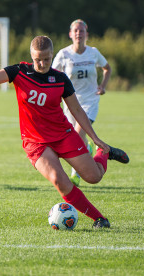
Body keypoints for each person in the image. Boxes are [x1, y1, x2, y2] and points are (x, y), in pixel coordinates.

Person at [0, 35, 129, 228]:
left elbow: (77, 110)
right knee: (58, 179)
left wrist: (95, 139)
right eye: (38, 59)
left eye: (46, 59)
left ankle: (104, 153)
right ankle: (99, 219)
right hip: (35, 142)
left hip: (63, 135)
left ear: (52, 56)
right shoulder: (19, 72)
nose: (42, 63)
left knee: (94, 177)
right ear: (31, 56)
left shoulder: (60, 79)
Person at [52, 19, 112, 187]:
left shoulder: (93, 53)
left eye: (82, 31)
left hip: (90, 101)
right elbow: (53, 74)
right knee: (74, 137)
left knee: (78, 134)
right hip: (71, 102)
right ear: (70, 34)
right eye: (76, 31)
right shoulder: (64, 54)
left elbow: (107, 68)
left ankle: (75, 174)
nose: (79, 33)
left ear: (87, 34)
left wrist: (103, 86)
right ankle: (88, 149)